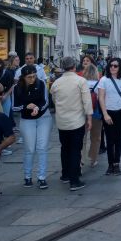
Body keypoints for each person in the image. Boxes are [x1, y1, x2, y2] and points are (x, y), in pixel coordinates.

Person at [51, 56, 93, 191]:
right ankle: (74, 180)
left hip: (62, 121)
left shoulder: (56, 83)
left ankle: (65, 174)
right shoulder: (80, 81)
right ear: (74, 66)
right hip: (76, 120)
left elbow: (54, 100)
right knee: (75, 149)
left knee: (65, 148)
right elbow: (87, 101)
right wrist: (90, 118)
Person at [13, 65, 52, 189]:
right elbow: (14, 107)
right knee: (29, 148)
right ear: (23, 77)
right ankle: (28, 176)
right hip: (27, 120)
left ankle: (42, 177)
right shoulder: (17, 88)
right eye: (29, 77)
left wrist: (37, 108)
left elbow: (46, 102)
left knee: (42, 147)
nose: (32, 79)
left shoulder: (41, 84)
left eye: (34, 76)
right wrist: (26, 107)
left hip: (43, 118)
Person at [82, 62, 102, 168]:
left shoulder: (82, 83)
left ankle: (81, 158)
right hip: (95, 113)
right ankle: (93, 158)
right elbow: (101, 99)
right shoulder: (99, 84)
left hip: (83, 112)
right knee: (96, 137)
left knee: (82, 137)